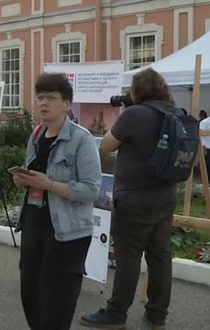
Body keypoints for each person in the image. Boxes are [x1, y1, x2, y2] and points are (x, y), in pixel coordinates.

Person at [81, 69, 178, 329]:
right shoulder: (172, 112)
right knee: (160, 256)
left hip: (135, 200)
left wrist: (125, 112)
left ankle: (116, 313)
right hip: (165, 197)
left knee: (129, 257)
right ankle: (157, 314)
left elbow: (107, 144)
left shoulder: (135, 114)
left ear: (137, 91)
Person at [13, 73, 101, 330]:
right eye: (40, 97)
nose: (43, 103)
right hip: (33, 225)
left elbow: (91, 189)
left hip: (67, 233)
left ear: (67, 103)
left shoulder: (81, 139)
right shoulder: (36, 136)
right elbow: (34, 177)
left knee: (57, 303)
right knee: (30, 294)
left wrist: (49, 185)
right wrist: (23, 181)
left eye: (51, 98)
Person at [199, 110, 210, 180]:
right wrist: (202, 146)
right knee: (207, 170)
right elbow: (199, 134)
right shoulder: (205, 122)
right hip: (207, 148)